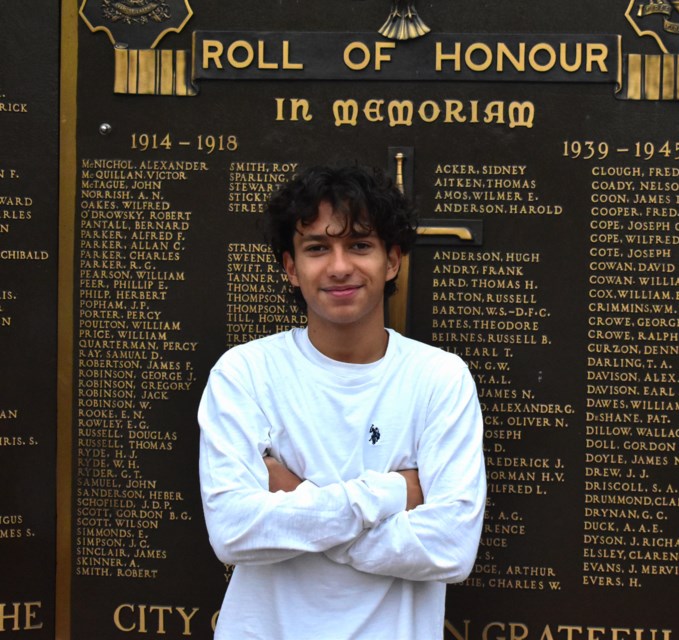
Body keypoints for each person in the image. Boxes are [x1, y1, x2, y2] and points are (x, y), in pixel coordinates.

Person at [198, 164, 486, 640]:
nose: (338, 266)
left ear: (391, 260)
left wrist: (295, 496)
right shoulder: (244, 373)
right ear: (291, 268)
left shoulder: (440, 378)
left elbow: (451, 549)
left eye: (359, 245)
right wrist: (394, 492)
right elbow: (233, 532)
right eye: (316, 248)